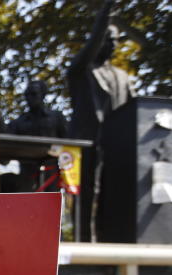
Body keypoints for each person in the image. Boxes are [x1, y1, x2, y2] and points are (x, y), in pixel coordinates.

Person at [67, 0, 134, 241]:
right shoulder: (81, 71)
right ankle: (85, 244)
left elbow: (134, 112)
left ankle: (112, 244)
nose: (113, 44)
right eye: (108, 38)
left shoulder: (124, 77)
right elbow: (90, 46)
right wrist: (105, 16)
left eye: (116, 40)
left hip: (115, 147)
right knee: (86, 197)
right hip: (87, 146)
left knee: (113, 197)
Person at [6, 80, 69, 192]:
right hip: (27, 176)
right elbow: (5, 143)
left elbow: (68, 143)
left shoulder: (57, 118)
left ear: (43, 94)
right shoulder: (19, 123)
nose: (30, 98)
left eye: (34, 94)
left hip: (52, 175)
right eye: (27, 94)